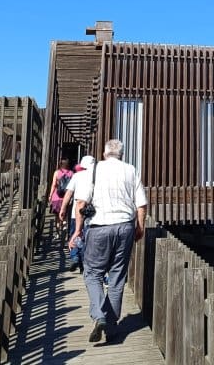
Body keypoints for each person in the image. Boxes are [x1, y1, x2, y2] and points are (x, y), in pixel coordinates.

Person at [67, 139, 147, 343]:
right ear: (121, 154)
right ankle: (111, 327)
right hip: (124, 227)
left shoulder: (94, 171)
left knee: (92, 273)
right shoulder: (131, 170)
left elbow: (81, 203)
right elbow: (141, 204)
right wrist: (140, 227)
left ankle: (100, 314)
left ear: (104, 154)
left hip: (99, 227)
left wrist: (77, 231)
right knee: (117, 277)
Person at [58, 154, 96, 271]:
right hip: (92, 214)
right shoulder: (97, 177)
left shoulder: (77, 176)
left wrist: (63, 208)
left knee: (75, 234)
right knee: (87, 238)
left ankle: (75, 257)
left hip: (77, 213)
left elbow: (68, 193)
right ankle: (85, 262)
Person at [48, 158, 74, 241]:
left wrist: (50, 195)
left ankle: (58, 233)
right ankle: (66, 234)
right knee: (66, 216)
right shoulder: (71, 173)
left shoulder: (57, 172)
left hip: (57, 197)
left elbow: (53, 184)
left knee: (57, 216)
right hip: (66, 197)